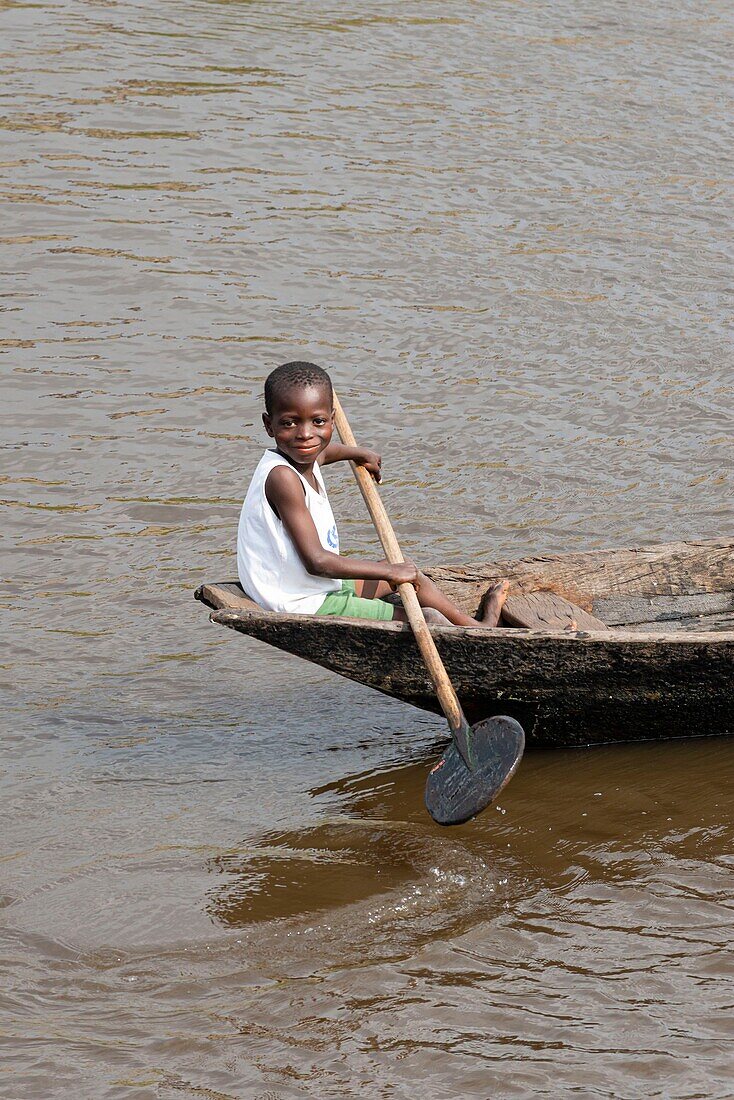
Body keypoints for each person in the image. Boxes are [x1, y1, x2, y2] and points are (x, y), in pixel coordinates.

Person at [237, 361, 509, 627]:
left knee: (408, 570)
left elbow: (324, 453)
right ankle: (453, 627)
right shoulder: (283, 478)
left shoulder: (301, 458)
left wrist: (357, 453)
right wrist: (389, 572)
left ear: (332, 420)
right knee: (424, 618)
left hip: (304, 585)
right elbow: (317, 562)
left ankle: (474, 626)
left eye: (318, 421)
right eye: (289, 423)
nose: (306, 435)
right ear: (269, 425)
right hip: (299, 600)